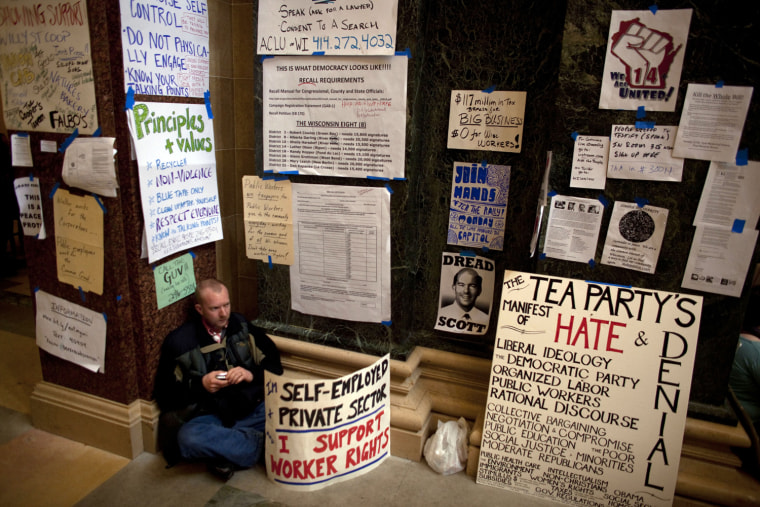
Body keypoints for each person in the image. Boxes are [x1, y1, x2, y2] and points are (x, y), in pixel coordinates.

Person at [153, 278, 282, 480]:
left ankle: (225, 451)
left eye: (226, 305)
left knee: (290, 408)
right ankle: (262, 445)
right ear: (199, 309)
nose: (224, 313)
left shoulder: (241, 325)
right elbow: (164, 395)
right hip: (211, 418)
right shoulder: (178, 342)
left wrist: (250, 375)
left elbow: (275, 366)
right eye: (215, 308)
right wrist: (201, 385)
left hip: (251, 408)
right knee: (188, 438)